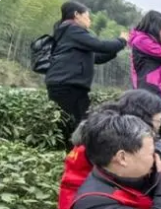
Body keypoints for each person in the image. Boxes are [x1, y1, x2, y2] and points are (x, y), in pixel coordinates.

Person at [45, 1, 128, 151]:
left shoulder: (72, 35)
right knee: (79, 127)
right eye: (88, 16)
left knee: (77, 125)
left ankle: (71, 157)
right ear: (76, 15)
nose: (90, 20)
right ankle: (73, 159)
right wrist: (121, 41)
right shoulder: (72, 29)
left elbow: (98, 57)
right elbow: (100, 45)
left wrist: (117, 47)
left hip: (68, 86)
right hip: (67, 86)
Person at [129, 10, 161, 115]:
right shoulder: (141, 41)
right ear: (155, 27)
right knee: (154, 125)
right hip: (152, 91)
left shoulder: (154, 43)